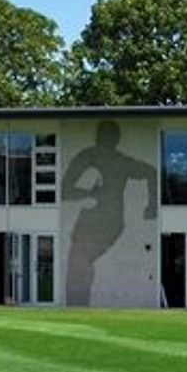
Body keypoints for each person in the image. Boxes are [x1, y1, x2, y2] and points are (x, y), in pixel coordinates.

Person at [61, 120, 158, 306]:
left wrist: (152, 205)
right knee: (80, 262)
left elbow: (151, 172)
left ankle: (77, 306)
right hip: (100, 220)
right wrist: (151, 206)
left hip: (106, 221)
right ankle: (78, 305)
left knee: (79, 260)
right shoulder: (94, 158)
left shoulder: (110, 160)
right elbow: (65, 191)